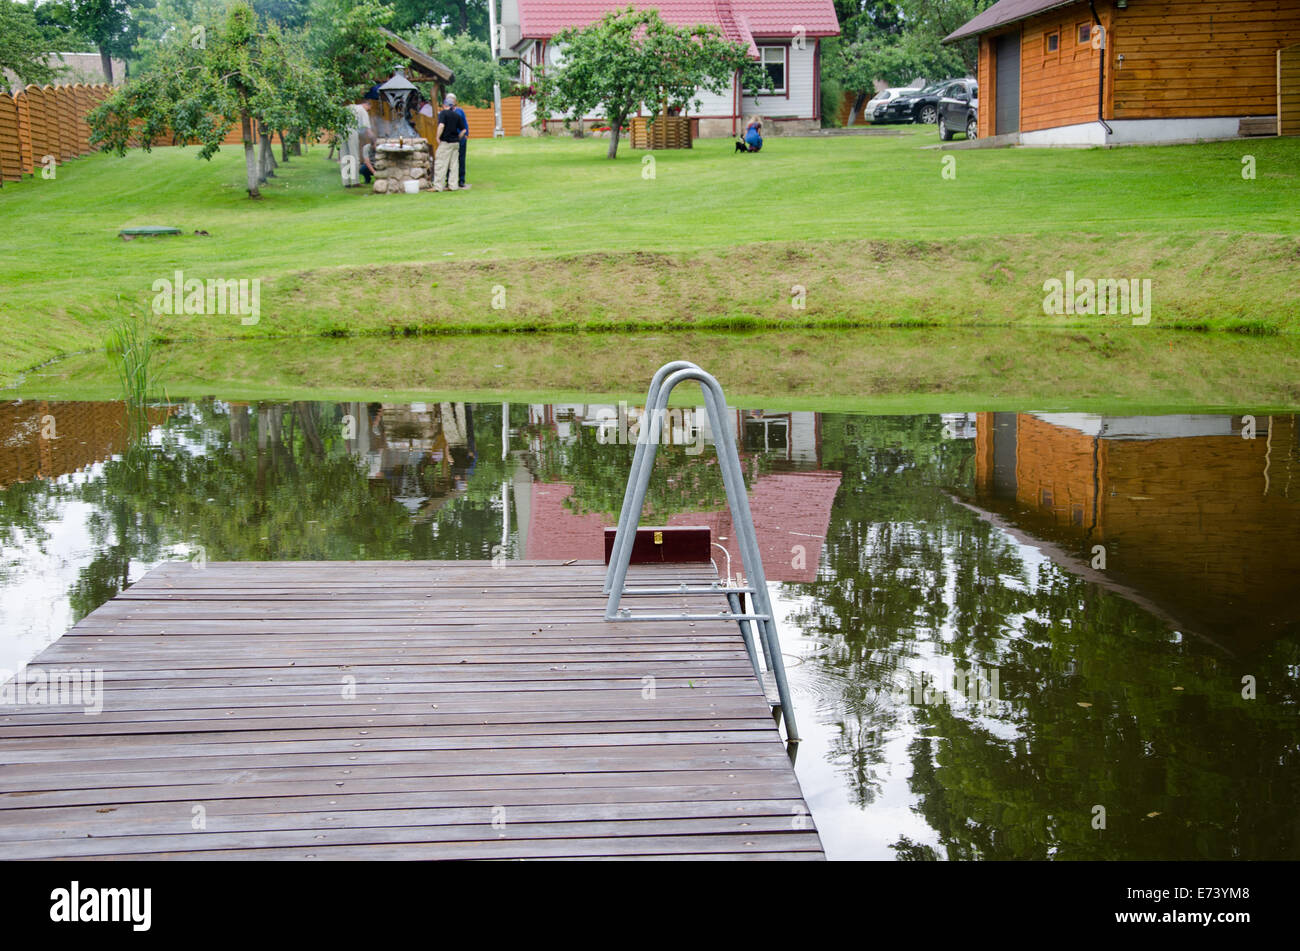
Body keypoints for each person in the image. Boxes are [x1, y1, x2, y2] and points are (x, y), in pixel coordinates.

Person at [433, 96, 465, 191]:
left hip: (446, 142)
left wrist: (437, 137)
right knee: (454, 165)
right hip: (455, 143)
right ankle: (453, 186)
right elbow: (463, 130)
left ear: (444, 105)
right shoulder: (457, 115)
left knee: (441, 163)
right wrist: (458, 138)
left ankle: (438, 186)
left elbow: (441, 126)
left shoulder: (443, 113)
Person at [448, 93, 470, 189]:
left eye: (452, 100)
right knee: (449, 160)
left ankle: (461, 180)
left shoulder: (460, 111)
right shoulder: (445, 112)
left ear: (455, 101)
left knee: (461, 159)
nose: (450, 102)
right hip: (450, 139)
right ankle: (449, 180)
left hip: (460, 138)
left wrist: (465, 134)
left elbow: (465, 123)